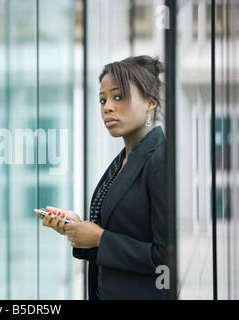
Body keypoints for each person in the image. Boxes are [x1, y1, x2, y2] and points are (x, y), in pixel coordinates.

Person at [35, 55, 167, 300]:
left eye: (118, 97)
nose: (107, 107)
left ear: (150, 102)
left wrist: (99, 238)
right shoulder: (123, 160)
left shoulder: (160, 160)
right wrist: (78, 227)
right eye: (102, 99)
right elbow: (121, 230)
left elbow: (165, 257)